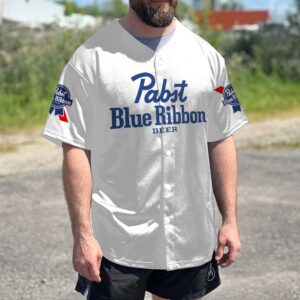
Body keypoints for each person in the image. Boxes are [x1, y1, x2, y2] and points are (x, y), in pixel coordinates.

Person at [42, 0, 248, 299]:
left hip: (188, 234)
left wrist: (230, 219)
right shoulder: (91, 59)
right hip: (117, 240)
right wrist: (83, 234)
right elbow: (74, 145)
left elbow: (221, 137)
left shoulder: (206, 57)